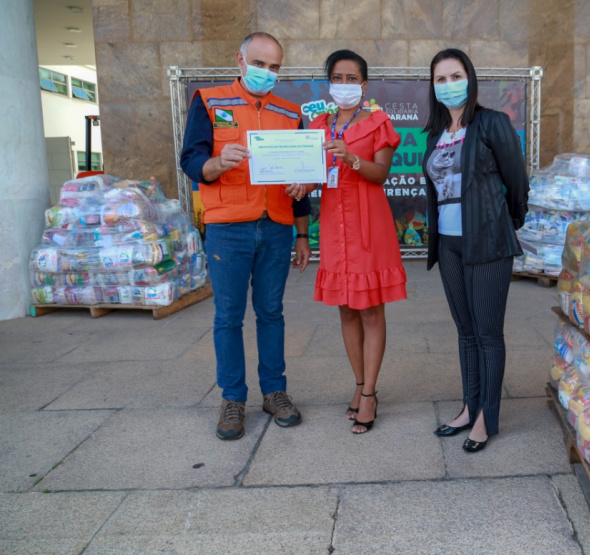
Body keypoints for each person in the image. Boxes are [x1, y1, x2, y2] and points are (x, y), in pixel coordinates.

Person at [180, 32, 310, 440]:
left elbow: (302, 175)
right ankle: (233, 398)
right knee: (228, 317)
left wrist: (303, 230)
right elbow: (191, 160)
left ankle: (275, 392)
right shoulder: (210, 101)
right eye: (260, 64)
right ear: (240, 60)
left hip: (277, 226)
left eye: (275, 68)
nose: (267, 74)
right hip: (227, 228)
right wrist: (217, 162)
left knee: (271, 312)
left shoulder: (291, 114)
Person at [288, 50, 406, 434]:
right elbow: (316, 174)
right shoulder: (318, 123)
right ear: (328, 83)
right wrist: (302, 183)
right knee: (345, 310)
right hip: (336, 230)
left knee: (371, 309)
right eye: (337, 78)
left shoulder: (378, 122)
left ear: (364, 84)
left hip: (370, 228)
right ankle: (358, 384)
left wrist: (351, 158)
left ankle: (370, 393)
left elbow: (381, 173)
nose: (344, 85)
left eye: (351, 78)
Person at [422, 49, 529, 453]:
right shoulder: (435, 135)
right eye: (441, 79)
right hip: (448, 244)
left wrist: (508, 223)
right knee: (465, 332)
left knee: (487, 334)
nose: (449, 85)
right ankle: (469, 406)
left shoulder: (492, 123)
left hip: (487, 242)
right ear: (433, 86)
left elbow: (517, 181)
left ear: (470, 77)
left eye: (456, 75)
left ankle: (487, 417)